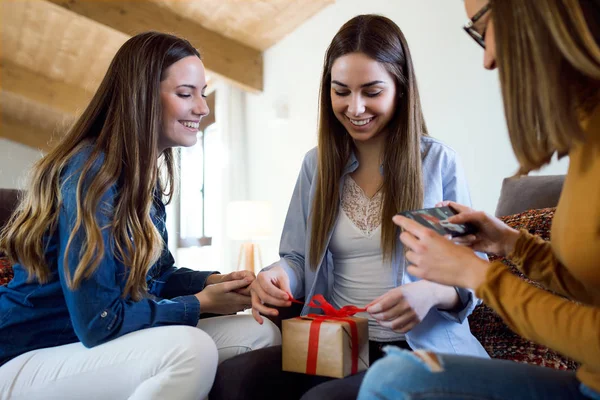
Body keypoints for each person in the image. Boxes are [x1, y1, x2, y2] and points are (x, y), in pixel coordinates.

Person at [210, 14, 487, 400]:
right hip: (334, 343)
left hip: (417, 349)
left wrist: (430, 293)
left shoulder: (438, 163)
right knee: (238, 381)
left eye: (371, 91)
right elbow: (295, 257)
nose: (355, 108)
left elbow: (473, 277)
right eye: (341, 91)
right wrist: (278, 275)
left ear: (401, 89)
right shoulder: (317, 165)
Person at [0, 32, 280, 400]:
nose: (202, 108)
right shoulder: (90, 174)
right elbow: (99, 321)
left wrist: (217, 281)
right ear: (143, 96)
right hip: (26, 356)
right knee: (189, 350)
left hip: (82, 346)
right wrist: (201, 303)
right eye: (186, 93)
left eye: (203, 92)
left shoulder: (142, 179)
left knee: (260, 334)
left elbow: (156, 277)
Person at [358, 1, 600, 399]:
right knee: (397, 377)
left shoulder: (439, 158)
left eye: (484, 26)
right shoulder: (585, 135)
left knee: (395, 380)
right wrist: (510, 244)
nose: (488, 58)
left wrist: (478, 275)